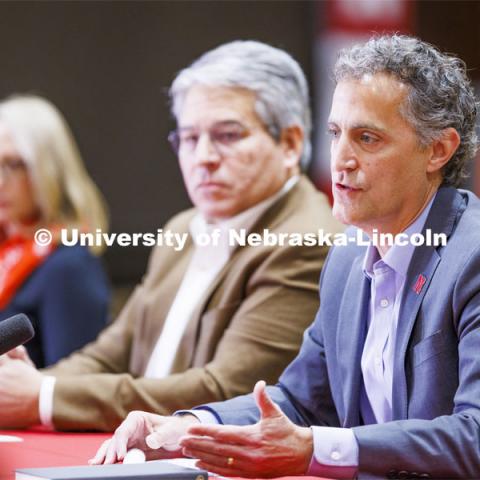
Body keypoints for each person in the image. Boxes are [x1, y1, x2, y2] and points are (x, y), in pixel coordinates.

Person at [92, 35, 480, 479]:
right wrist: (190, 427)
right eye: (335, 134)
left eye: (367, 138)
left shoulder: (471, 257)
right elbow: (302, 400)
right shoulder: (347, 259)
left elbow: (475, 437)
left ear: (438, 150)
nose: (341, 160)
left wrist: (315, 448)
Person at [0, 41, 339, 431]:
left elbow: (228, 389)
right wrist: (30, 385)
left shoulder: (306, 241)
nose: (204, 157)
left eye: (228, 135)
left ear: (290, 144)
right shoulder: (183, 228)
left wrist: (42, 397)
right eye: (190, 138)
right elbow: (109, 355)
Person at [0, 95, 110, 368]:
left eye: (13, 165)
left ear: (47, 169)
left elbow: (71, 390)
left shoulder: (69, 266)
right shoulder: (6, 252)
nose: (0, 181)